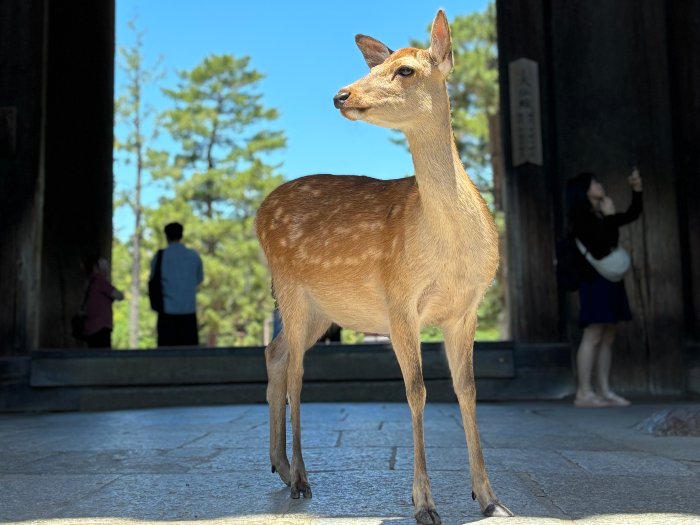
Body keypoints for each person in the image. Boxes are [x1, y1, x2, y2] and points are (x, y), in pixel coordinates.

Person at [566, 168, 643, 408]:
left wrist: (637, 189)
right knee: (593, 333)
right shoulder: (582, 218)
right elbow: (603, 247)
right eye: (595, 183)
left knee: (608, 334)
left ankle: (604, 390)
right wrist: (609, 217)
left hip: (610, 281)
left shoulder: (598, 214)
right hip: (594, 281)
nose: (600, 185)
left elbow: (632, 214)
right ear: (585, 190)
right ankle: (584, 393)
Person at [150, 222, 204, 346]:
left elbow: (153, 279)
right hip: (189, 311)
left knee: (167, 355)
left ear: (166, 236)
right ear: (182, 235)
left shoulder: (160, 256)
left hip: (166, 312)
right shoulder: (193, 255)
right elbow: (199, 279)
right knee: (189, 355)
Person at [82, 255, 124, 348]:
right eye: (104, 265)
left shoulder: (90, 282)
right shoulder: (100, 281)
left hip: (92, 328)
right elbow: (119, 296)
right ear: (97, 267)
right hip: (100, 328)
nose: (106, 268)